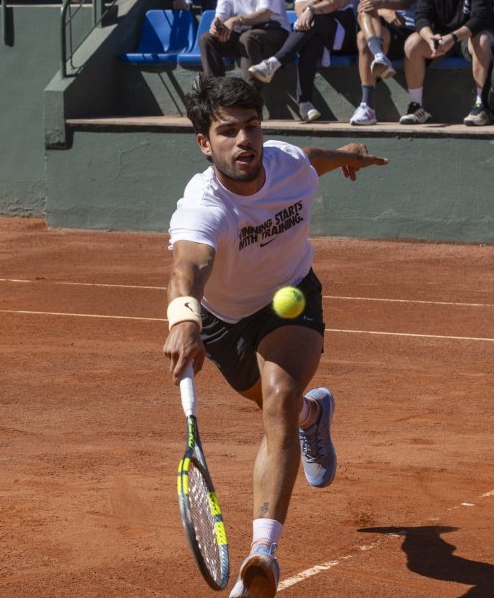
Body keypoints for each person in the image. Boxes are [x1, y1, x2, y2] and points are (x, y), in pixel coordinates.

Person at [164, 75, 388, 598]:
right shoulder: (203, 205)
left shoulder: (285, 162)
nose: (245, 141)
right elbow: (187, 267)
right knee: (275, 405)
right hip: (223, 321)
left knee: (279, 398)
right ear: (204, 142)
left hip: (292, 295)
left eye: (253, 127)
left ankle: (262, 554)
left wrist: (348, 152)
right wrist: (184, 320)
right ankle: (315, 415)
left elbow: (310, 158)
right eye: (228, 132)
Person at [247, 0, 360, 122]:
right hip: (315, 34)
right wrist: (317, 0)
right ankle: (305, 104)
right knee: (310, 41)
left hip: (343, 36)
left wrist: (312, 10)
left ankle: (274, 62)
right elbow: (299, 10)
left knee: (313, 21)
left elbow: (335, 2)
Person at [398, 0, 494, 127]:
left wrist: (453, 37)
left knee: (482, 40)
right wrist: (430, 37)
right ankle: (416, 106)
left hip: (470, 37)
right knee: (412, 43)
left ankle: (481, 106)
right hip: (443, 38)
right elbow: (421, 16)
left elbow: (479, 18)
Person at [348, 0, 427, 126]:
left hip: (407, 33)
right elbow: (369, 7)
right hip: (382, 34)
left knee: (364, 26)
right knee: (361, 32)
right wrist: (386, 10)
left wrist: (382, 5)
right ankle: (368, 107)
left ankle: (377, 59)